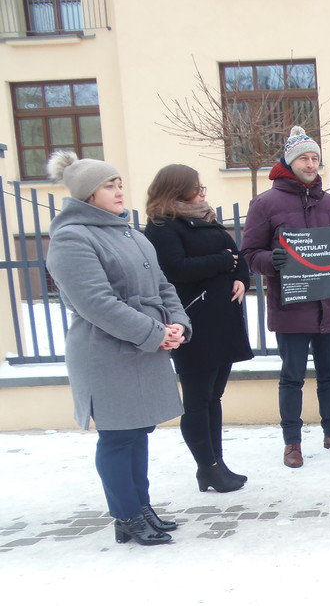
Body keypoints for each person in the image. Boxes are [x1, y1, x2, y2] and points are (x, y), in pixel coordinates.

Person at [45, 151, 190, 546]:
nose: (119, 190)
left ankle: (141, 508)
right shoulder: (71, 237)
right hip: (104, 353)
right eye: (109, 185)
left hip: (142, 346)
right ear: (88, 194)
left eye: (120, 183)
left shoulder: (130, 233)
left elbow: (163, 286)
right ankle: (125, 515)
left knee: (138, 431)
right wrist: (154, 332)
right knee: (117, 436)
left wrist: (177, 324)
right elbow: (96, 303)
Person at [240, 126, 330, 468]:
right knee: (292, 377)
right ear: (290, 162)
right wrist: (269, 261)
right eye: (304, 158)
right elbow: (250, 252)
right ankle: (292, 442)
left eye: (315, 158)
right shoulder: (265, 204)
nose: (310, 164)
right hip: (291, 305)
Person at [144, 164, 254, 491]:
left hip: (222, 319)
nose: (203, 193)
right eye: (198, 187)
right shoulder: (163, 225)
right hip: (194, 321)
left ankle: (216, 464)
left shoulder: (204, 217)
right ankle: (206, 466)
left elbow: (237, 255)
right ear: (178, 188)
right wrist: (223, 263)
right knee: (197, 398)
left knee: (214, 396)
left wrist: (240, 277)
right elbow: (175, 269)